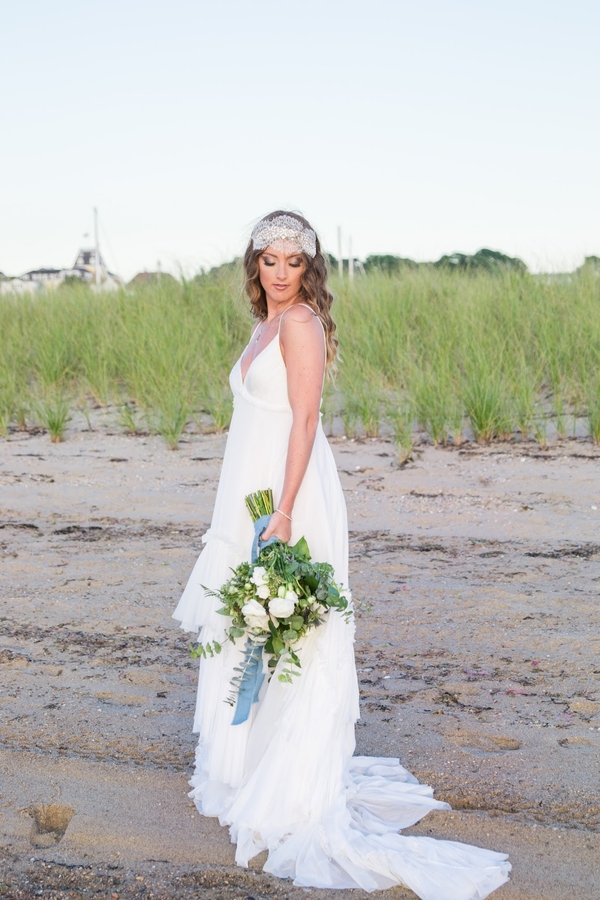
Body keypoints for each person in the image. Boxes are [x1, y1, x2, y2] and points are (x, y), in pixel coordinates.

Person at [173, 211, 511, 899]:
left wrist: (288, 510)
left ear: (309, 271)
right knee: (248, 626)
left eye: (292, 263)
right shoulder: (263, 324)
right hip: (249, 485)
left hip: (287, 492)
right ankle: (249, 764)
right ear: (255, 265)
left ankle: (290, 788)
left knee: (290, 629)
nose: (278, 274)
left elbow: (305, 419)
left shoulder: (299, 325)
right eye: (268, 260)